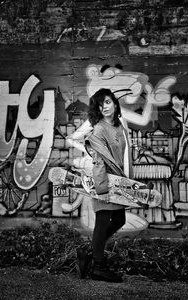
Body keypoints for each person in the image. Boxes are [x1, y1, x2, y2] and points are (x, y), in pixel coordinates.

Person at [76, 88, 133, 283]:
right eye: (100, 105)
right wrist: (102, 190)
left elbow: (125, 157)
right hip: (105, 183)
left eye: (107, 102)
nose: (104, 107)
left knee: (119, 220)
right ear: (97, 109)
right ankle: (98, 267)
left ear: (115, 103)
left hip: (119, 182)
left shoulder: (119, 126)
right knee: (102, 221)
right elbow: (99, 161)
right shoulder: (99, 130)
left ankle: (89, 251)